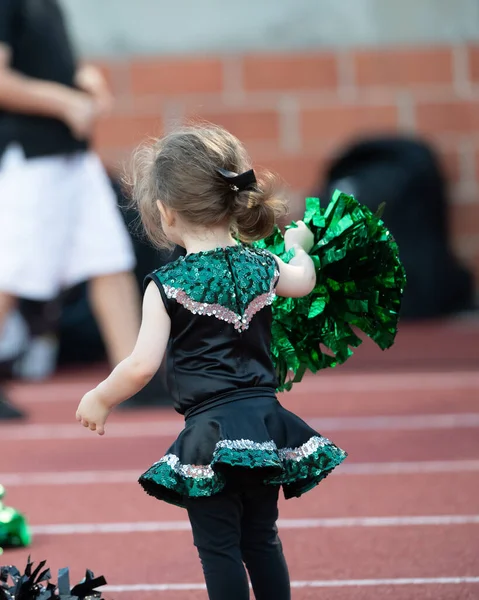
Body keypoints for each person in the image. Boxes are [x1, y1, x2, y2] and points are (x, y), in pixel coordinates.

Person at [75, 125, 347, 600]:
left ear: (165, 212)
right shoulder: (262, 264)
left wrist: (100, 398)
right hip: (265, 427)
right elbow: (302, 281)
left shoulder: (166, 285)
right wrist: (300, 247)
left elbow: (141, 366)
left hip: (212, 436)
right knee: (262, 538)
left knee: (218, 547)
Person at [0, 0, 141, 419]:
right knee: (9, 270)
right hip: (29, 154)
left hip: (71, 155)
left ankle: (133, 375)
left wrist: (82, 78)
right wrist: (65, 101)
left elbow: (40, 60)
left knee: (108, 259)